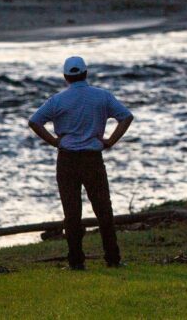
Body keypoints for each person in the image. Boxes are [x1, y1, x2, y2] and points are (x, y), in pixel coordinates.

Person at [28, 56, 134, 270]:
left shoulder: (57, 100)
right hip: (93, 159)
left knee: (72, 212)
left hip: (67, 159)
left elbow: (34, 121)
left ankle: (76, 262)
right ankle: (113, 259)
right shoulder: (102, 96)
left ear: (66, 77)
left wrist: (55, 142)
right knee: (104, 209)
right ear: (86, 73)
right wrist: (110, 141)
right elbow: (126, 117)